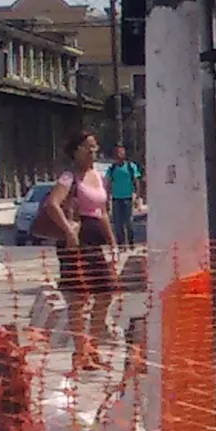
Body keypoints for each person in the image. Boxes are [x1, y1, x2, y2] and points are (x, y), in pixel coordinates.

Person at [38, 132, 117, 372]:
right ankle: (81, 353)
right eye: (87, 147)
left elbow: (102, 212)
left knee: (106, 292)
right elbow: (52, 204)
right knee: (79, 299)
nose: (92, 152)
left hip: (95, 242)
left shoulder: (99, 177)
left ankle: (92, 348)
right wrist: (68, 231)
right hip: (75, 245)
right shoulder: (69, 177)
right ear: (75, 151)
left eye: (95, 147)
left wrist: (113, 242)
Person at [106, 142, 142, 247]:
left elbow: (136, 182)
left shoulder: (131, 167)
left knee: (129, 222)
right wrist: (107, 199)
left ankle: (131, 242)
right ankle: (121, 244)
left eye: (121, 152)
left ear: (125, 153)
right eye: (117, 152)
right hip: (116, 199)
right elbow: (108, 184)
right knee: (118, 224)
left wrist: (137, 197)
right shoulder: (112, 168)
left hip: (128, 198)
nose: (119, 154)